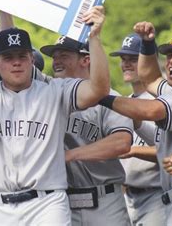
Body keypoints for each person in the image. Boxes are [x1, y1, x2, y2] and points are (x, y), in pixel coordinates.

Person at [0, 0, 110, 225]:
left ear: (31, 60)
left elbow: (98, 88)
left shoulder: (55, 91)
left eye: (21, 56)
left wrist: (94, 39)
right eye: (8, 58)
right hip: (2, 208)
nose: (16, 63)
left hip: (47, 204)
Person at [99, 22, 172, 225]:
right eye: (169, 55)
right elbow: (149, 77)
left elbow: (151, 110)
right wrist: (147, 44)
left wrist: (100, 96)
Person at [40, 36, 132, 226]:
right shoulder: (48, 94)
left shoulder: (109, 98)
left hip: (104, 201)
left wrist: (70, 154)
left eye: (63, 55)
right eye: (54, 56)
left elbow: (121, 142)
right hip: (61, 202)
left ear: (85, 59)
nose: (56, 61)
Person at [109, 33, 165, 225]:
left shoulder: (163, 101)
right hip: (128, 197)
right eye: (123, 59)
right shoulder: (127, 101)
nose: (126, 64)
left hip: (158, 196)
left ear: (150, 60)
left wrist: (133, 151)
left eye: (133, 59)